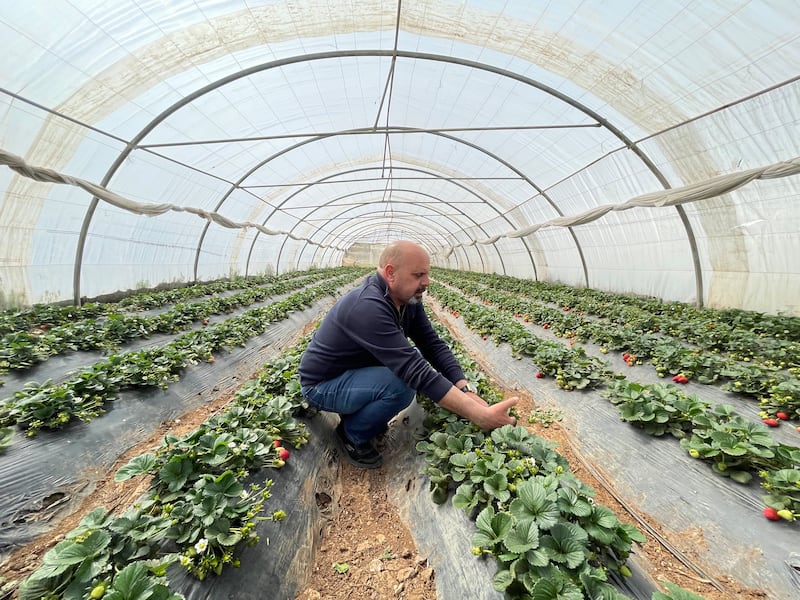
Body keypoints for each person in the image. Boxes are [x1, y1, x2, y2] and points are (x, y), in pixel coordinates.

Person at [298, 240, 518, 468]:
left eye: (427, 274)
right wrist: (478, 414)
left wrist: (463, 388)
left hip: (353, 374)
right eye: (418, 275)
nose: (426, 282)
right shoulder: (367, 306)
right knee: (402, 386)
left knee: (402, 378)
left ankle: (358, 413)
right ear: (391, 273)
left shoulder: (406, 300)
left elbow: (431, 343)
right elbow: (415, 371)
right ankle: (352, 434)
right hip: (322, 386)